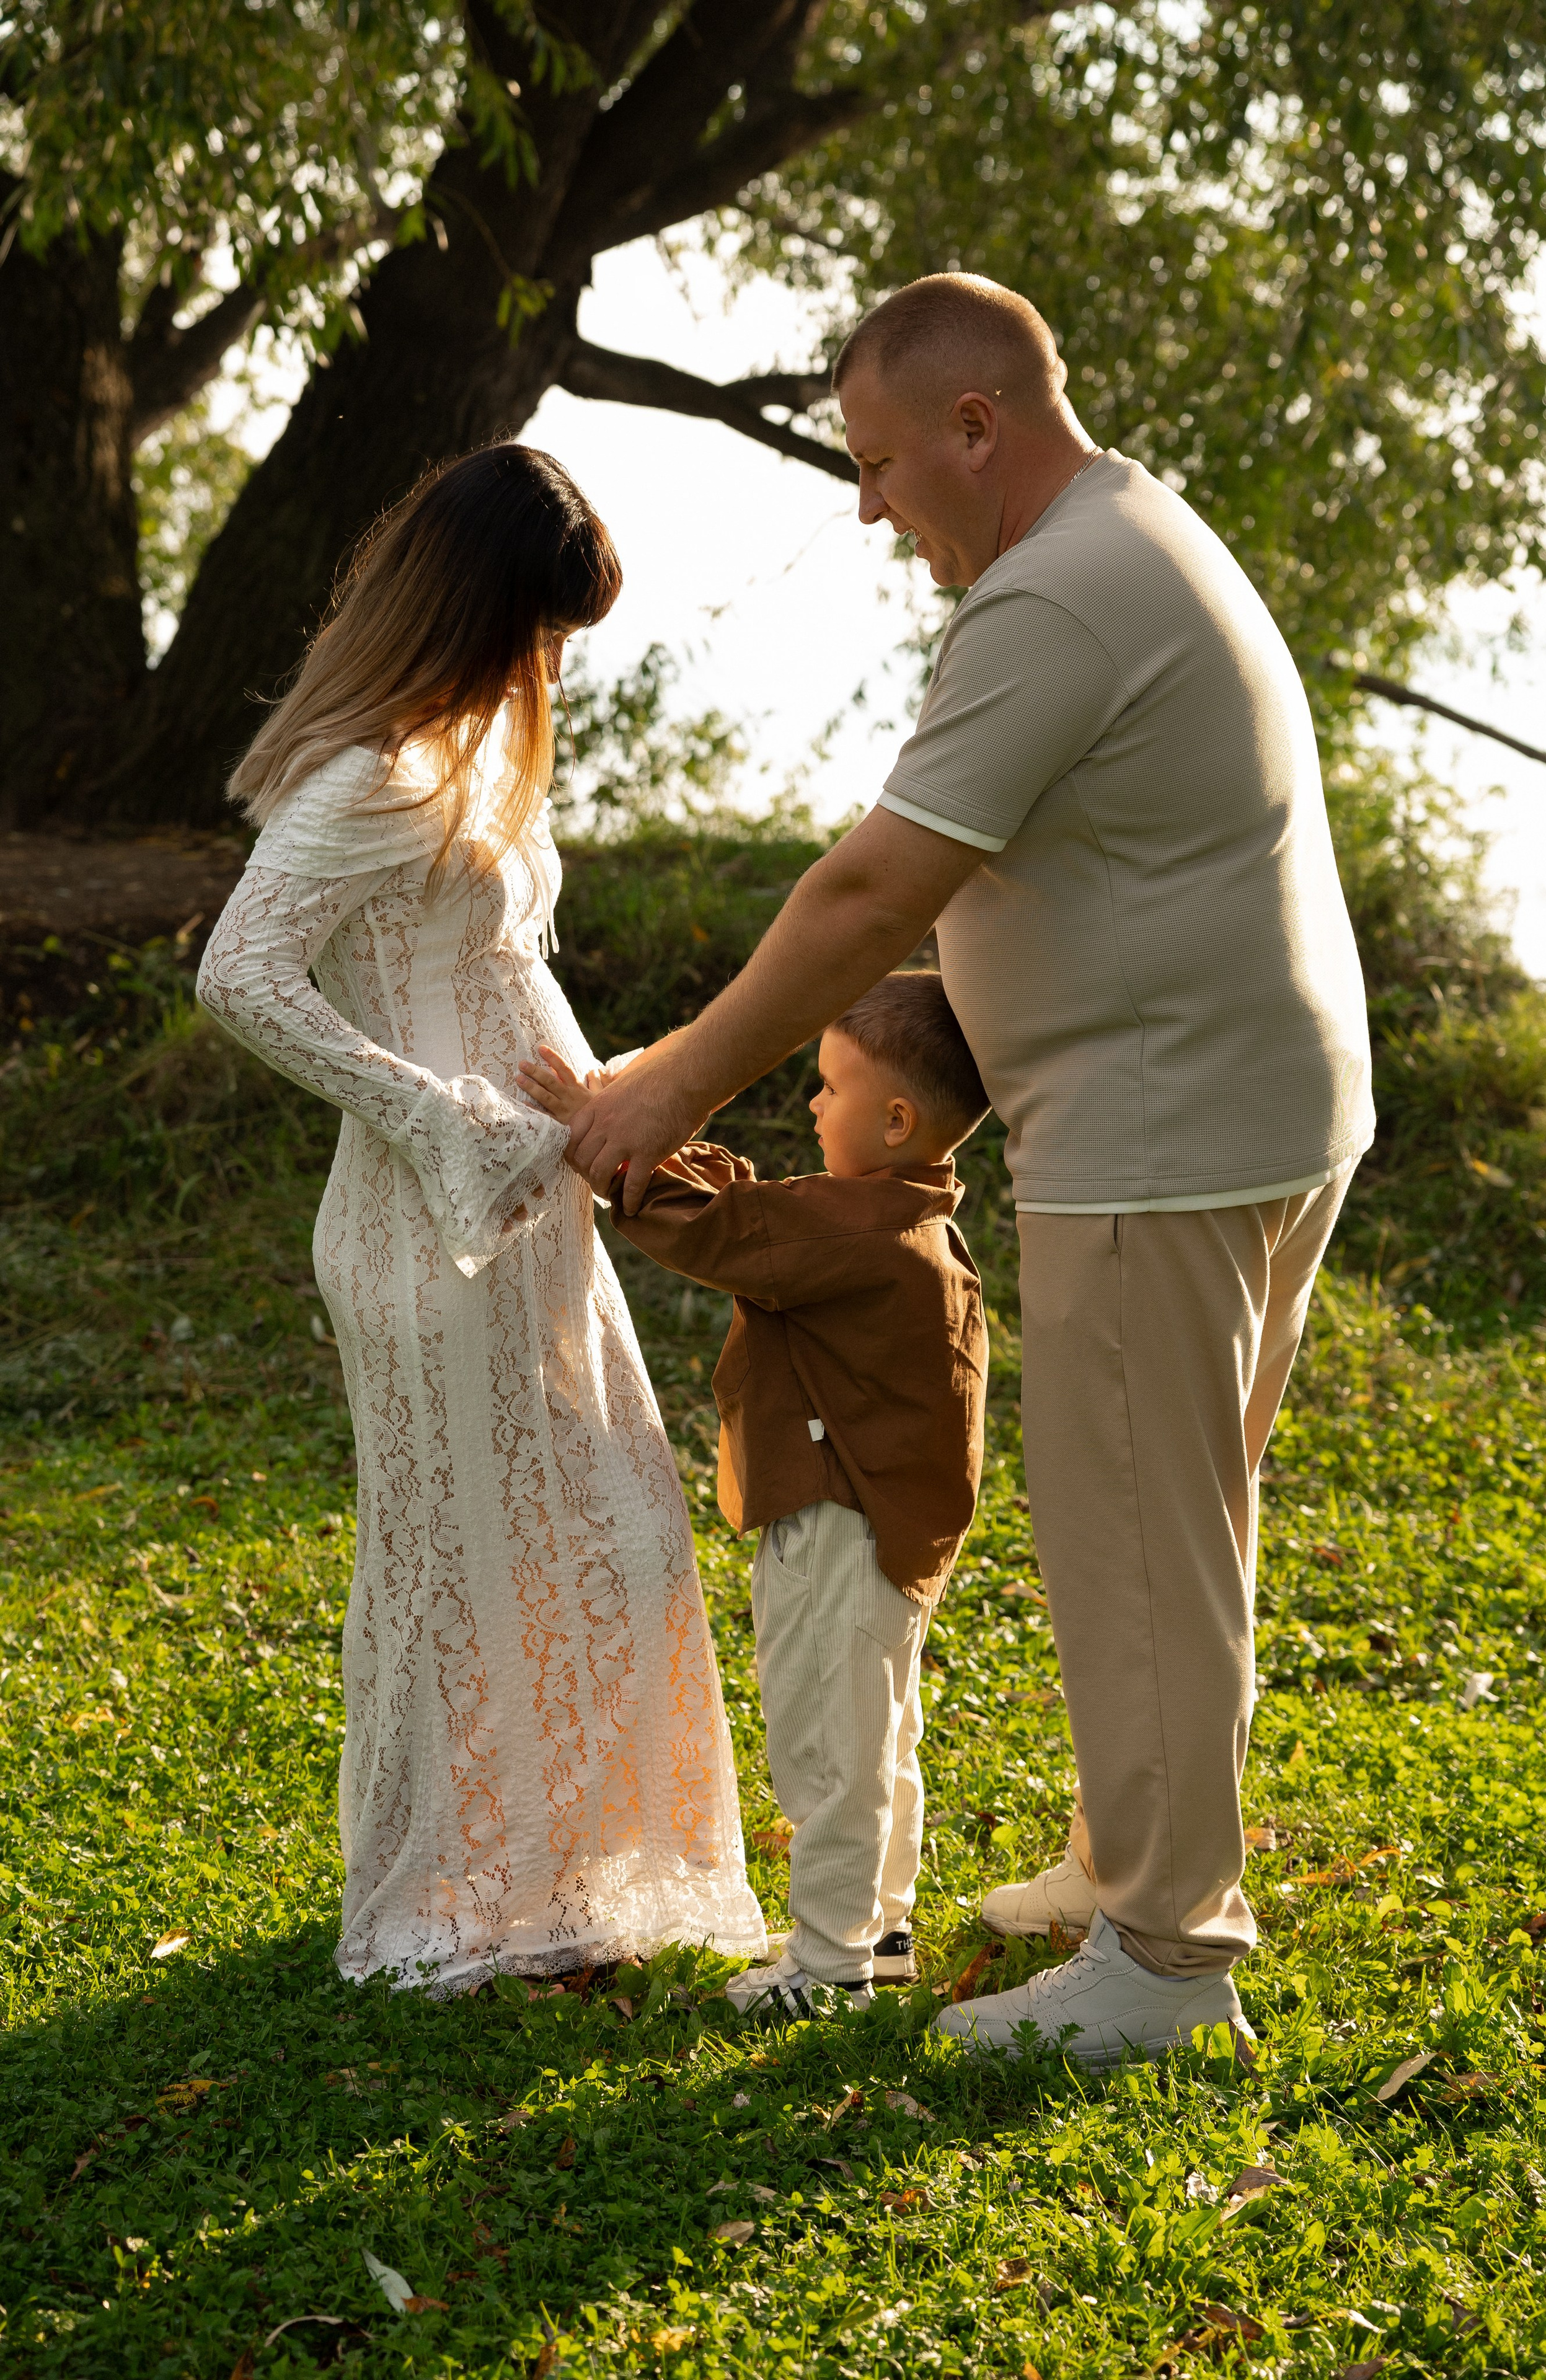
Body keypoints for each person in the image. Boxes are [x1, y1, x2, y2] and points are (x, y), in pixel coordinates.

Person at [519, 274, 1374, 2065]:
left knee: (1141, 1540)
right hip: (1259, 1107)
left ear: (979, 427)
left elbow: (870, 889)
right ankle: (1129, 1859)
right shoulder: (1132, 534)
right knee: (1180, 1527)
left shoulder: (1054, 593)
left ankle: (1162, 1962)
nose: (867, 501)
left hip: (1164, 1136)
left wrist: (668, 1088)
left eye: (883, 459)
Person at [197, 442, 765, 1993]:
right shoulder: (367, 774)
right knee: (473, 1561)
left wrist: (606, 1110)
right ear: (471, 610)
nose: (551, 664)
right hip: (417, 1231)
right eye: (540, 627)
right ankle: (474, 1905)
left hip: (527, 1207)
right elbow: (239, 979)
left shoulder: (464, 765)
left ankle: (567, 1880)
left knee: (608, 1539)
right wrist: (434, 1115)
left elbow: (509, 980)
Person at [523, 972, 989, 2017]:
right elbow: (759, 1213)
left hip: (838, 1522)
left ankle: (828, 1970)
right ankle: (880, 1929)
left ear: (898, 1118)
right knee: (879, 1735)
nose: (814, 1107)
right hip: (890, 1531)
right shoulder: (905, 1218)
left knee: (830, 1745)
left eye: (829, 1089)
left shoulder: (858, 1234)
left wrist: (609, 1144)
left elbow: (726, 1234)